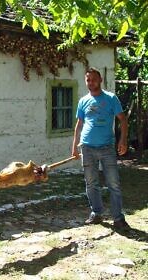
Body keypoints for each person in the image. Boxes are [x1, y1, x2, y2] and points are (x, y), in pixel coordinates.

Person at [72, 67, 130, 230]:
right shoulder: (83, 101)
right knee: (91, 183)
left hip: (107, 148)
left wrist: (123, 140)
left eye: (94, 79)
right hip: (87, 148)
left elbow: (123, 120)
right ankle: (96, 213)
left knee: (114, 183)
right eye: (88, 80)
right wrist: (75, 146)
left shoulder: (111, 98)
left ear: (100, 80)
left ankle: (118, 218)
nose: (91, 83)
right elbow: (79, 124)